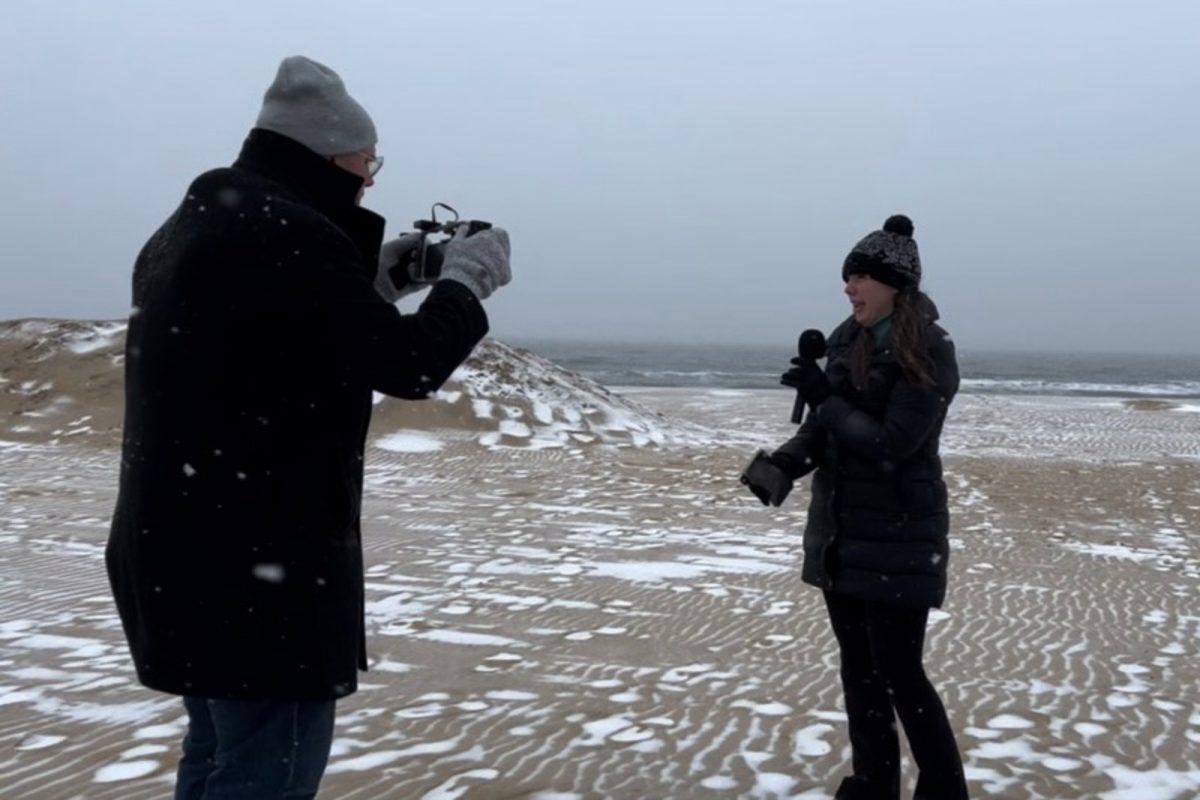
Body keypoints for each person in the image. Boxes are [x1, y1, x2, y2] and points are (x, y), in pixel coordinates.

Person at [105, 55, 511, 799]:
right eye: (367, 159)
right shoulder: (286, 233)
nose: (372, 176)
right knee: (269, 771)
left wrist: (380, 278)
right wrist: (466, 279)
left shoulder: (203, 220)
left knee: (220, 752)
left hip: (187, 554)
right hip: (261, 578)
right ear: (328, 155)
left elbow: (283, 331)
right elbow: (409, 363)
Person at [743, 215, 968, 799]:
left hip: (899, 535)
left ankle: (945, 792)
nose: (849, 286)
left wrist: (828, 399)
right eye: (847, 276)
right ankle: (873, 785)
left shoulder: (928, 351)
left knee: (901, 676)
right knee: (860, 673)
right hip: (843, 533)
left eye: (862, 276)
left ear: (897, 285)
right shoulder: (849, 341)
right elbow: (827, 429)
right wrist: (785, 463)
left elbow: (894, 442)